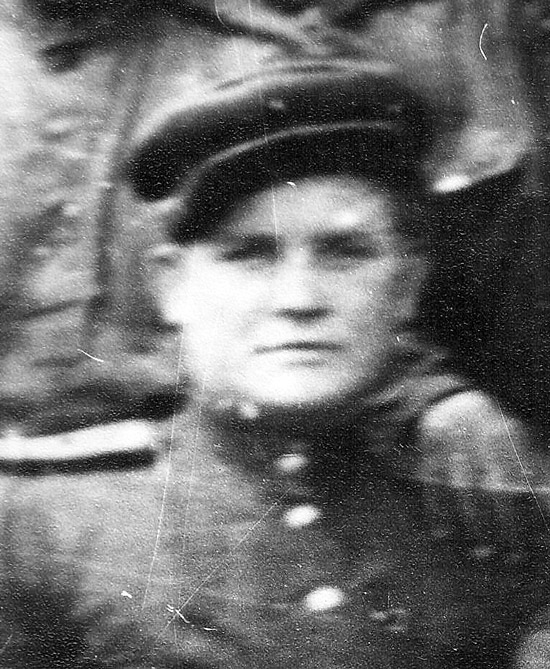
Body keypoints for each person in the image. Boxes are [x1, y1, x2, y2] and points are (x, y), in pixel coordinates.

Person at [0, 59, 549, 669]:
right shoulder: (44, 525)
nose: (299, 299)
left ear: (406, 286)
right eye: (250, 255)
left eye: (345, 252)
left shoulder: (485, 514)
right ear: (171, 286)